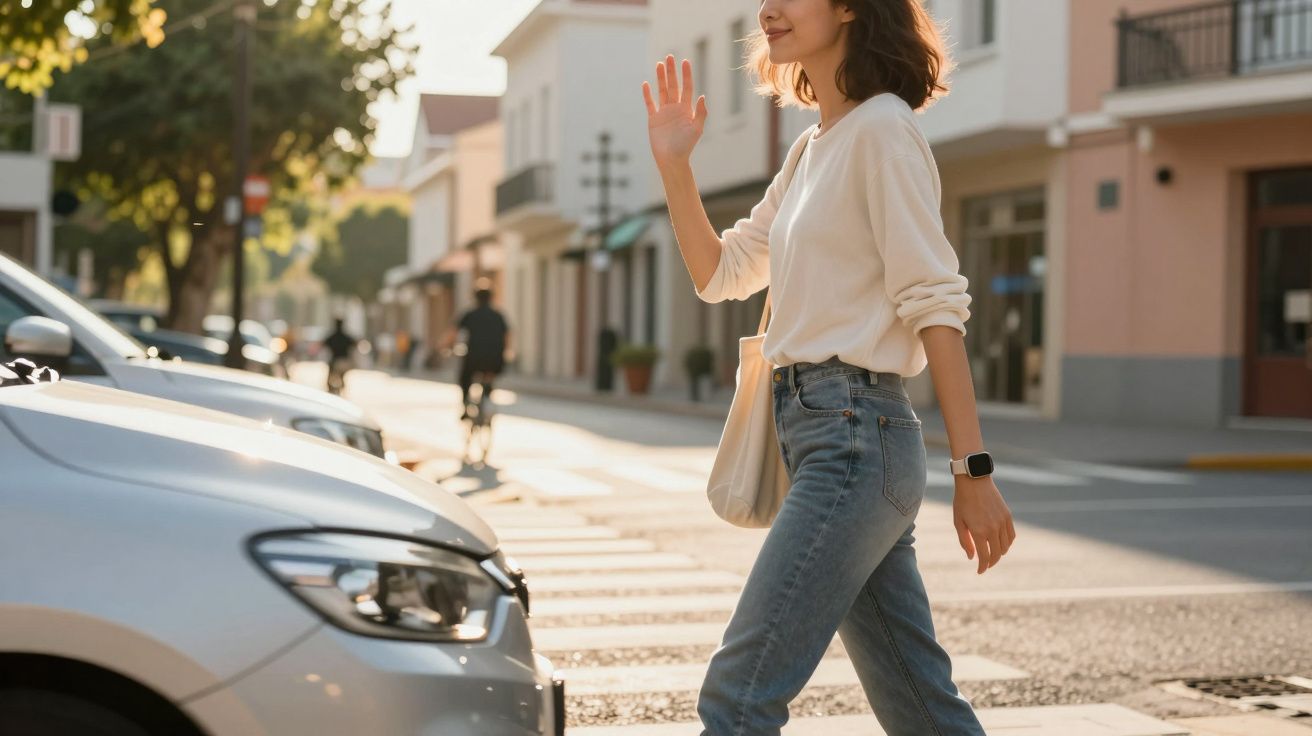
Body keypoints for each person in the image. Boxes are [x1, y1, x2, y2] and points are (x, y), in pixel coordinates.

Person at [641, 2, 1016, 734]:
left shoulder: (883, 129)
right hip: (828, 437)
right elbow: (722, 273)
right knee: (921, 708)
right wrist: (675, 168)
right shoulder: (815, 149)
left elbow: (934, 303)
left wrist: (974, 470)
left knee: (738, 698)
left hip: (853, 438)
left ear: (849, 6)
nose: (769, 9)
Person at [442, 287, 511, 418]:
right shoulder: (498, 315)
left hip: (473, 357)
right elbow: (507, 335)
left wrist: (447, 348)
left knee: (465, 379)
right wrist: (506, 352)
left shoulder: (470, 314)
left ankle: (465, 406)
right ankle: (487, 391)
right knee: (489, 375)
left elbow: (453, 333)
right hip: (495, 359)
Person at [322, 318, 357, 394]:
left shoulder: (333, 337)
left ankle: (331, 387)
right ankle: (336, 386)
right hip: (344, 361)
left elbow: (324, 343)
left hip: (336, 361)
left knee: (331, 374)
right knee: (337, 374)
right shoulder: (346, 337)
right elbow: (355, 343)